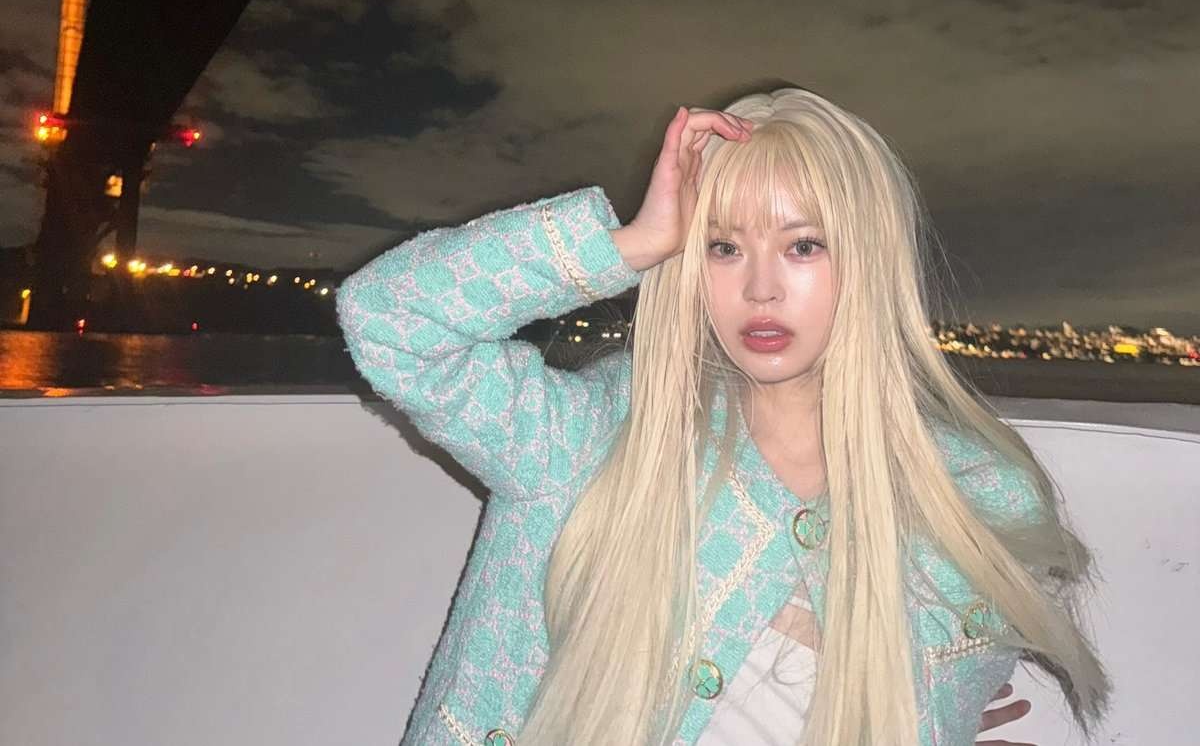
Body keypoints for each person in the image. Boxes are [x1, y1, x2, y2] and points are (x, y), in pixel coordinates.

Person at [336, 87, 1109, 745]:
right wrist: (631, 242)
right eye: (723, 247)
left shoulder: (978, 493)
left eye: (804, 246)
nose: (760, 289)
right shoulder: (594, 434)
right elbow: (390, 319)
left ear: (869, 260)